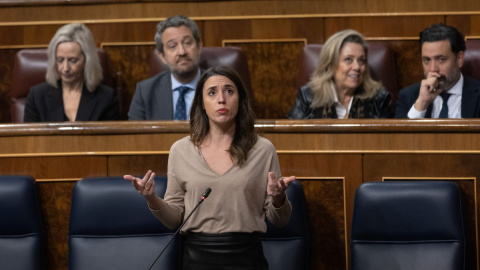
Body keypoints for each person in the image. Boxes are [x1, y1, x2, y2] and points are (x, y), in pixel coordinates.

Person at [124, 66, 295, 269]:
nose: (221, 99)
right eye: (212, 92)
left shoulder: (263, 149)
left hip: (247, 256)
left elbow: (280, 220)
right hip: (197, 258)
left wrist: (278, 198)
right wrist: (151, 198)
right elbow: (174, 219)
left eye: (229, 91)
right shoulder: (181, 150)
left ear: (240, 101)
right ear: (202, 103)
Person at [288, 29, 393, 119]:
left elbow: (387, 141)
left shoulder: (379, 99)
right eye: (348, 59)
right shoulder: (308, 96)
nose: (357, 67)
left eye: (361, 60)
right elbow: (289, 137)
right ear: (330, 64)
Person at [24, 23, 119, 122]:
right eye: (60, 60)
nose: (65, 68)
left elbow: (108, 137)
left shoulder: (106, 98)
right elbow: (30, 137)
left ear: (87, 60)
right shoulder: (37, 97)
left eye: (73, 61)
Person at [396, 24, 480, 118]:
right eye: (427, 60)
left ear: (459, 59)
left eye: (441, 59)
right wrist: (422, 103)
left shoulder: (478, 96)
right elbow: (400, 133)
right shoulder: (407, 97)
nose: (432, 69)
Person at [128, 15, 202, 121]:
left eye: (187, 43)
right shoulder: (145, 92)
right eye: (172, 46)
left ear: (199, 46)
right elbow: (135, 136)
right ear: (162, 56)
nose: (182, 52)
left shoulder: (219, 87)